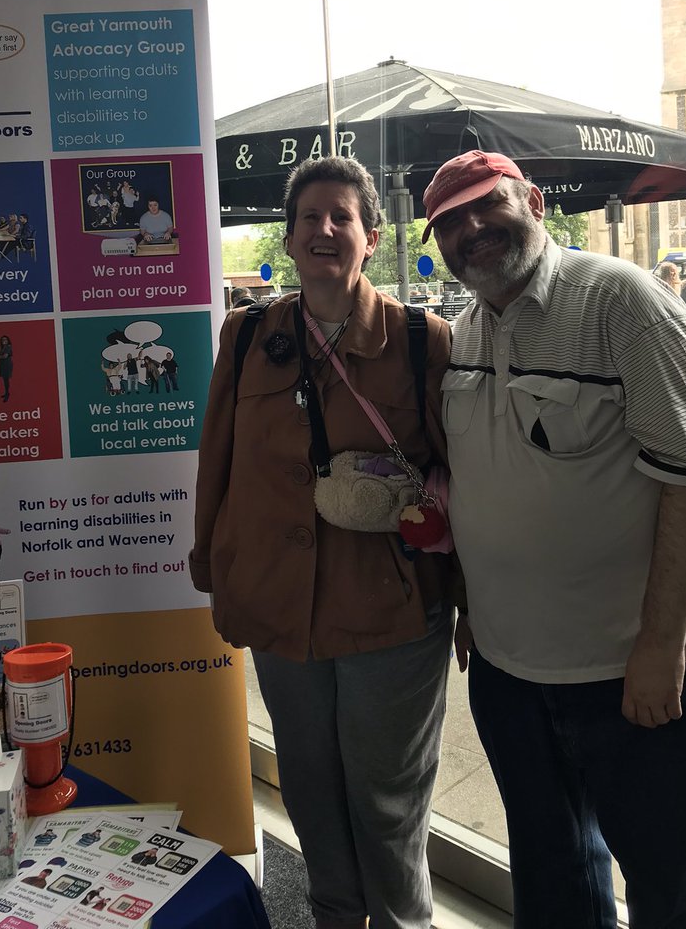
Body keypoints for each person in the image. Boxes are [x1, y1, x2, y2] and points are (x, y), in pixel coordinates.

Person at [423, 149, 686, 929]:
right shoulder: (462, 336)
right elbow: (477, 487)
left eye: (485, 205)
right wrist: (470, 604)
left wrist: (661, 646)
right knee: (556, 887)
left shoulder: (623, 304)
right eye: (448, 223)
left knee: (674, 895)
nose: (471, 230)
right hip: (509, 677)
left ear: (532, 200)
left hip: (635, 676)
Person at [192, 155, 454, 929]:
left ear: (372, 237)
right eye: (310, 217)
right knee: (308, 785)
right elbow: (218, 462)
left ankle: (404, 921)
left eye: (342, 217)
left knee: (387, 797)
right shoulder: (245, 338)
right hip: (280, 609)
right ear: (290, 235)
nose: (325, 230)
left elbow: (455, 479)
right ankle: (336, 917)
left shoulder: (420, 341)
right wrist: (215, 568)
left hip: (391, 615)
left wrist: (473, 600)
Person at [0, 335, 13, 402]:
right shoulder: (3, 347)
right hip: (3, 365)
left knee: (6, 380)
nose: (4, 341)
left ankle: (7, 394)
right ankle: (6, 392)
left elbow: (4, 356)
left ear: (8, 340)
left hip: (7, 365)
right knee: (4, 380)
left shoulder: (8, 347)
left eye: (5, 339)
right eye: (2, 339)